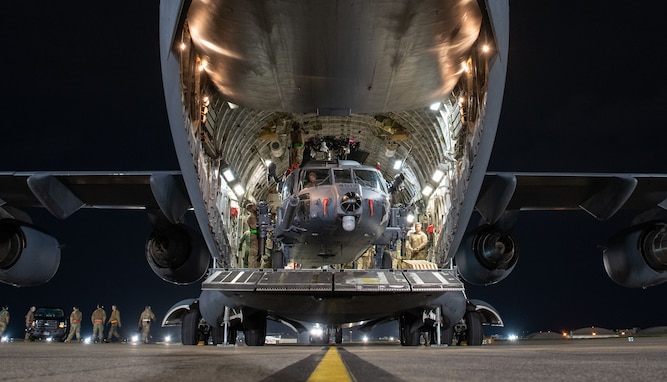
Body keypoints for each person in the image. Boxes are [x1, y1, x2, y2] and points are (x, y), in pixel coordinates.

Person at [245, 203, 260, 268]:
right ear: (251, 208)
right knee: (254, 252)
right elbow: (254, 227)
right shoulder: (251, 217)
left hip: (255, 235)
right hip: (254, 236)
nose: (255, 207)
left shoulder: (254, 215)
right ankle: (251, 267)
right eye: (254, 206)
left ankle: (254, 266)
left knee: (256, 252)